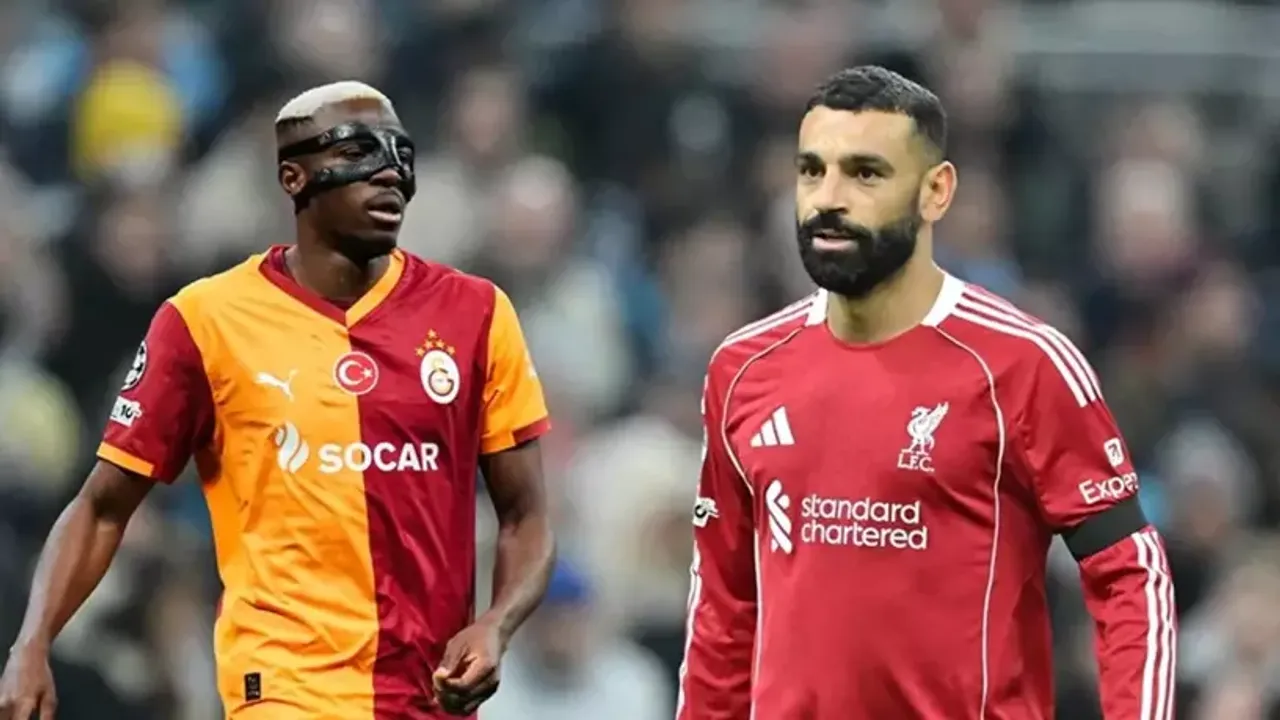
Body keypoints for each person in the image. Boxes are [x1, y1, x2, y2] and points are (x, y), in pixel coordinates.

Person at [0, 81, 556, 720]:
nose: (388, 173)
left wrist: (496, 624)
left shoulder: (476, 313)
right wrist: (32, 643)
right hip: (282, 687)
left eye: (401, 155)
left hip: (431, 694)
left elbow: (525, 515)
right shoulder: (206, 321)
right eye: (357, 153)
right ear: (294, 178)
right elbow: (103, 506)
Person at [677, 66, 1176, 719]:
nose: (828, 198)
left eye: (865, 173)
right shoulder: (743, 369)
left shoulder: (1023, 364)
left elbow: (1130, 571)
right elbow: (722, 606)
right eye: (812, 171)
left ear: (935, 192)